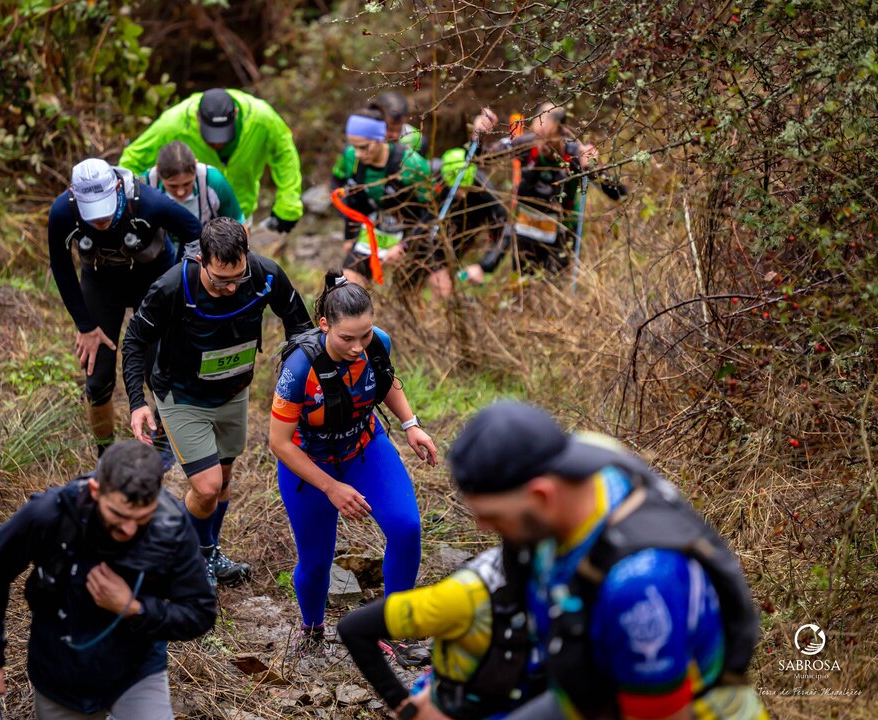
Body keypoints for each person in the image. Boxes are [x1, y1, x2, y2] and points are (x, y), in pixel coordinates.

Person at [340, 401, 768, 720]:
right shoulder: (585, 459)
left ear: (542, 495)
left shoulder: (640, 585)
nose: (485, 529)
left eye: (494, 517)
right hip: (586, 684)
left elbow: (656, 712)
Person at [121, 217, 313, 587]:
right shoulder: (173, 285)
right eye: (221, 280)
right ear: (202, 260)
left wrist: (298, 380)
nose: (231, 287)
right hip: (182, 395)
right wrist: (136, 401)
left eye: (237, 277)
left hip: (234, 392)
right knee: (207, 486)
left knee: (223, 480)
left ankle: (209, 552)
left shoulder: (265, 275)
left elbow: (300, 327)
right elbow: (134, 341)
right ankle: (186, 559)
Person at [0, 440, 217, 720]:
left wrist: (133, 608)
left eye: (141, 518)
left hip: (136, 671)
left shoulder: (171, 527)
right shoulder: (50, 515)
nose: (128, 529)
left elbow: (200, 612)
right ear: (96, 491)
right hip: (60, 674)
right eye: (118, 514)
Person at [270, 271, 438, 663]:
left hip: (364, 447)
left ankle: (392, 628)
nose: (357, 347)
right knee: (316, 560)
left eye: (364, 335)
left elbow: (386, 380)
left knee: (406, 528)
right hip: (309, 463)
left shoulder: (376, 343)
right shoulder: (300, 367)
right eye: (347, 338)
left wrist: (411, 425)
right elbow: (279, 442)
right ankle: (312, 629)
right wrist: (331, 487)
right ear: (324, 325)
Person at [48, 158, 201, 459]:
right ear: (74, 196)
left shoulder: (149, 203)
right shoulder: (63, 212)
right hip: (100, 283)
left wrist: (177, 282)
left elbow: (194, 232)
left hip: (152, 281)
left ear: (118, 187)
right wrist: (85, 326)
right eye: (92, 212)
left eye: (105, 209)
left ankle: (161, 451)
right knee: (98, 377)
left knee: (158, 371)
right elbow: (61, 266)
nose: (100, 220)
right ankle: (105, 456)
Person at [464, 103, 626, 276]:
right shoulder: (526, 144)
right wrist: (479, 134)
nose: (543, 145)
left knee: (553, 286)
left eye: (549, 137)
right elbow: (481, 157)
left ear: (560, 132)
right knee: (524, 287)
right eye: (539, 136)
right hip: (525, 238)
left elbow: (618, 194)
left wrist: (594, 167)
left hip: (559, 239)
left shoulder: (574, 153)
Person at [119, 88, 302, 232]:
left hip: (240, 214)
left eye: (223, 137)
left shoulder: (262, 120)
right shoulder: (174, 124)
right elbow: (132, 160)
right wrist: (128, 209)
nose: (217, 144)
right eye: (211, 137)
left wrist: (288, 204)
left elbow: (284, 155)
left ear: (236, 114)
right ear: (198, 117)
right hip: (188, 216)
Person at [331, 108, 433, 290]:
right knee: (348, 284)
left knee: (409, 292)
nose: (358, 153)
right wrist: (350, 235)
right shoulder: (351, 156)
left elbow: (431, 210)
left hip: (411, 231)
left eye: (364, 147)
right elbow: (352, 196)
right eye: (354, 146)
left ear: (381, 138)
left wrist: (405, 246)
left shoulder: (411, 163)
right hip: (374, 227)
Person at [431, 146, 512, 295]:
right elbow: (423, 224)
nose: (461, 194)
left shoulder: (484, 190)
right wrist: (436, 266)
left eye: (465, 188)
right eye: (457, 189)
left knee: (445, 288)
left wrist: (484, 266)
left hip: (465, 234)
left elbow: (504, 231)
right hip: (437, 239)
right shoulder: (434, 180)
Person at [141, 141, 245, 258]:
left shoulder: (214, 181)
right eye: (173, 186)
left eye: (187, 184)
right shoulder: (146, 184)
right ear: (157, 172)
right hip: (160, 255)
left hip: (206, 254)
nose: (180, 192)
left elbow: (238, 224)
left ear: (196, 166)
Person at [369, 91, 427, 155]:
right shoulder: (364, 137)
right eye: (390, 129)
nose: (395, 135)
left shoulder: (417, 139)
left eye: (399, 129)